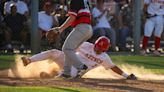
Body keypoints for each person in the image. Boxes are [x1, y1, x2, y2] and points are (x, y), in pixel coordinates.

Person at [21, 36, 137, 80]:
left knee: (71, 73)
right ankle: (29, 60)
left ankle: (53, 75)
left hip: (77, 71)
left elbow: (113, 67)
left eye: (99, 48)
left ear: (104, 50)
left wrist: (126, 76)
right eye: (96, 46)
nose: (96, 49)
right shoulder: (86, 45)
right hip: (69, 60)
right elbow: (70, 47)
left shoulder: (104, 57)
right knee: (54, 52)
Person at [48, 0, 93, 78]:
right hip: (88, 28)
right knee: (70, 50)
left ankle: (81, 67)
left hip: (82, 27)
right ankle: (66, 73)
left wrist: (60, 29)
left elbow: (72, 17)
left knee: (66, 49)